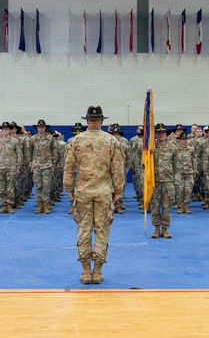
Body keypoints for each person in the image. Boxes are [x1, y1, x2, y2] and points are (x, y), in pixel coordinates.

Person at [63, 106, 125, 285]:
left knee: (84, 229)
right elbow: (118, 169)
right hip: (104, 192)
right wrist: (118, 191)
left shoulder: (75, 140)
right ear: (102, 121)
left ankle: (85, 271)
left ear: (87, 121)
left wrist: (69, 189)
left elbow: (68, 167)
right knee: (101, 230)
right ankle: (97, 271)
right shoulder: (112, 140)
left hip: (83, 192)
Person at [150, 123, 177, 238]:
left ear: (166, 134)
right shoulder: (151, 148)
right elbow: (145, 165)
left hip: (168, 181)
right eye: (158, 132)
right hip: (154, 182)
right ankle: (156, 229)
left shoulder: (173, 148)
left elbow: (177, 165)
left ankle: (165, 229)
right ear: (155, 134)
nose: (161, 134)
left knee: (166, 207)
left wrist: (176, 182)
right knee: (155, 206)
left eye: (163, 132)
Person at [0, 122, 23, 214]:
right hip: (0, 167)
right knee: (1, 188)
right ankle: (3, 205)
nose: (5, 131)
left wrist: (18, 166)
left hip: (11, 167)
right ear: (1, 131)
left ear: (9, 130)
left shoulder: (15, 142)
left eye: (7, 129)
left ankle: (9, 205)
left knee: (11, 188)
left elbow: (19, 155)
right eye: (3, 129)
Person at [174, 132, 197, 214]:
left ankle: (186, 206)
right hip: (179, 172)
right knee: (180, 190)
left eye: (185, 139)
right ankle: (180, 206)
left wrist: (194, 171)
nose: (184, 141)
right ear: (180, 140)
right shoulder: (176, 149)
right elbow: (173, 161)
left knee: (188, 190)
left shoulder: (191, 149)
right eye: (182, 139)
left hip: (189, 172)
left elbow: (194, 160)